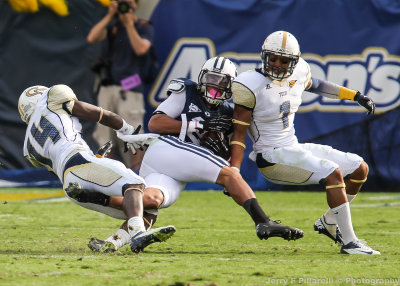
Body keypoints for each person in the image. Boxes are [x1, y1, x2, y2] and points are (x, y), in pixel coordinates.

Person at [85, 57, 304, 253]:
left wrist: (232, 164)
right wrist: (195, 124)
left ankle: (102, 212)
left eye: (222, 82)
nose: (215, 86)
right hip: (166, 150)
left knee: (152, 202)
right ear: (201, 78)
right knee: (227, 174)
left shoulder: (229, 113)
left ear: (231, 87)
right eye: (211, 78)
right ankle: (263, 221)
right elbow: (156, 122)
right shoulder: (187, 92)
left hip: (176, 168)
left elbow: (237, 141)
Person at [229, 30, 380, 255]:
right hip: (271, 156)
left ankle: (328, 222)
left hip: (293, 147)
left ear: (295, 61)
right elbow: (239, 134)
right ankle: (350, 242)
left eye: (284, 60)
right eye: (273, 59)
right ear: (264, 56)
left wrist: (354, 95)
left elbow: (316, 84)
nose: (278, 64)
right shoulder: (249, 84)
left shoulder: (300, 71)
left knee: (359, 168)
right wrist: (235, 170)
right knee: (332, 172)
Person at [18, 84, 175, 253]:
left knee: (148, 208)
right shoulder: (53, 96)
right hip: (80, 162)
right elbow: (97, 114)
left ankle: (112, 243)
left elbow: (59, 163)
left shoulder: (28, 148)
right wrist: (125, 128)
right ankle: (138, 234)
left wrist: (96, 159)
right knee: (134, 182)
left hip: (70, 183)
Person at [87, 0, 154, 171]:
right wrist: (110, 15)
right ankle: (106, 176)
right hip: (107, 86)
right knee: (104, 137)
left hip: (130, 89)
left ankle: (139, 176)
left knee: (133, 137)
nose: (123, 4)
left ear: (136, 4)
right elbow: (92, 38)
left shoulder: (143, 26)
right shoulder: (112, 26)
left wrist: (129, 24)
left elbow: (141, 49)